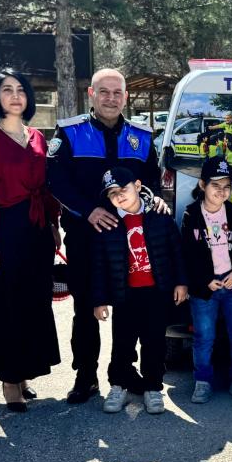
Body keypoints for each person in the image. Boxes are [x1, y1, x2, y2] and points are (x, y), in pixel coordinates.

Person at [47, 68, 165, 405]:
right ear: (91, 95)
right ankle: (85, 377)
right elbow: (55, 179)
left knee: (133, 308)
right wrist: (89, 211)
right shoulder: (69, 133)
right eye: (104, 92)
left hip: (131, 239)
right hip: (87, 235)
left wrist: (143, 206)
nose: (111, 98)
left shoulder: (142, 136)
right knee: (86, 308)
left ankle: (127, 374)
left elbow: (153, 184)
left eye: (117, 92)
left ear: (126, 97)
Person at [0, 69, 62, 413]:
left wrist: (53, 224)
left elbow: (48, 187)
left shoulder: (37, 137)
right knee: (6, 301)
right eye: (7, 90)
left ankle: (25, 373)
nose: (15, 95)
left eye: (21, 89)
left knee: (35, 302)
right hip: (4, 229)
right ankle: (9, 378)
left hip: (37, 230)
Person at [91, 166, 188, 415]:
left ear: (137, 185)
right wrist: (99, 300)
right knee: (122, 344)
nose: (119, 197)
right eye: (112, 194)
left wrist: (181, 282)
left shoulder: (159, 214)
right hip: (125, 296)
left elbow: (176, 251)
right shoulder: (110, 223)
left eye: (123, 189)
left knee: (154, 342)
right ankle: (118, 386)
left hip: (156, 293)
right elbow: (99, 264)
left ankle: (153, 388)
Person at [180, 157, 232, 404]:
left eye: (226, 186)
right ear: (202, 185)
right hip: (204, 288)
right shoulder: (191, 214)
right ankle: (203, 381)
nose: (221, 191)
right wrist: (204, 281)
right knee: (203, 337)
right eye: (215, 185)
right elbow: (187, 255)